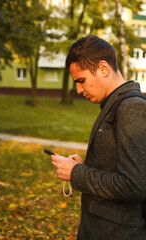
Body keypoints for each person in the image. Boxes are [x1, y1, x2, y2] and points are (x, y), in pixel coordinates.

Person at [51, 35, 146, 239]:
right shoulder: (115, 104)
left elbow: (134, 185)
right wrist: (87, 165)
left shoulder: (131, 107)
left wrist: (78, 173)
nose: (78, 89)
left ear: (103, 68)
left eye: (81, 80)